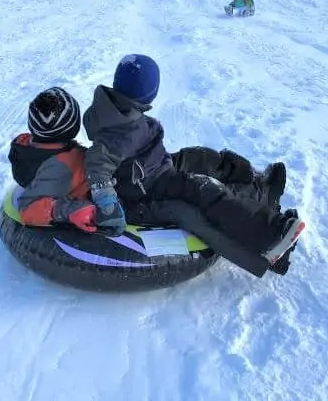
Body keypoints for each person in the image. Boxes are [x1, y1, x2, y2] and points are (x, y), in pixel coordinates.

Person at [81, 54, 306, 277]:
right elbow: (97, 164)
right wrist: (108, 205)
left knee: (203, 157)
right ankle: (270, 236)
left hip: (155, 165)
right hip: (148, 189)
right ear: (149, 95)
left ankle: (258, 183)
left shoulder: (115, 108)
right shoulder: (115, 135)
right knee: (203, 188)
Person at [8, 88, 98, 232]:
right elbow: (28, 209)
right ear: (72, 127)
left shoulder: (26, 146)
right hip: (84, 195)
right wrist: (69, 209)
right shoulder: (60, 166)